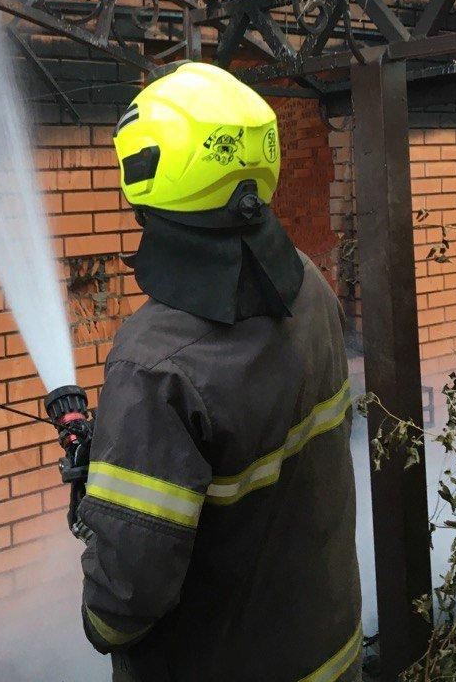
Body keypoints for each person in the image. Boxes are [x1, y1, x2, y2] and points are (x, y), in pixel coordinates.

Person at [75, 61, 360, 682]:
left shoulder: (155, 364)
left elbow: (124, 604)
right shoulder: (310, 288)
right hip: (330, 654)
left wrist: (99, 545)